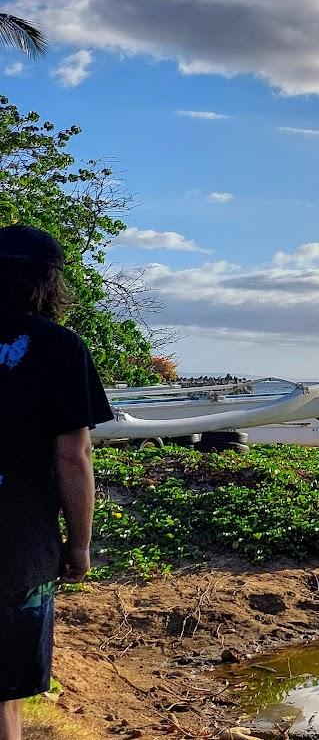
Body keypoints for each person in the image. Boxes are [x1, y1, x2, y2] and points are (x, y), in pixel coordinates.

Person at [0, 225, 110, 740]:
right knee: (4, 696)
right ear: (50, 283)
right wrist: (80, 544)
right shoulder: (59, 347)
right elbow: (73, 455)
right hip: (16, 545)